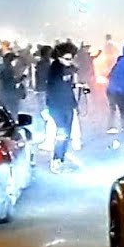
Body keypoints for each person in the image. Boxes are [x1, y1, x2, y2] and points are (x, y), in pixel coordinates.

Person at [44, 42, 79, 173]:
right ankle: (56, 160)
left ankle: (61, 159)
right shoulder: (55, 70)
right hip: (57, 106)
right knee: (62, 133)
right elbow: (54, 88)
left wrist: (74, 103)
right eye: (67, 59)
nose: (70, 61)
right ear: (59, 58)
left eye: (71, 59)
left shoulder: (68, 69)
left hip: (67, 106)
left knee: (66, 133)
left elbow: (68, 88)